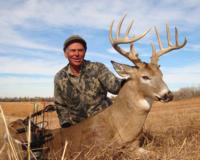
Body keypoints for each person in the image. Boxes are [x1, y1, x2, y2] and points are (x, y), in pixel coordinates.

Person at [54, 35, 123, 128]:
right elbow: (60, 105)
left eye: (80, 50)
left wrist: (134, 79)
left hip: (105, 122)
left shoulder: (98, 68)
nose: (77, 54)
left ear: (85, 52)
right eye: (73, 50)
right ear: (66, 53)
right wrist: (67, 126)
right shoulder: (60, 77)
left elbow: (116, 87)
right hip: (79, 127)